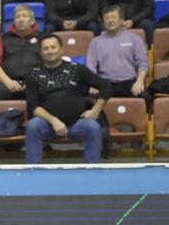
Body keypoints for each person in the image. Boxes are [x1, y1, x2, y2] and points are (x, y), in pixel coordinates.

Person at [24, 34, 109, 164]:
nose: (50, 51)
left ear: (61, 50)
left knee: (93, 127)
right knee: (32, 126)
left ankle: (92, 169)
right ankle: (33, 169)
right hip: (47, 125)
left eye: (53, 47)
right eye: (46, 48)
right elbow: (33, 107)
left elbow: (106, 87)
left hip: (77, 123)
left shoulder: (76, 68)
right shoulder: (33, 73)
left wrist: (95, 110)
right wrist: (54, 121)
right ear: (41, 53)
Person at [86, 6, 149, 101]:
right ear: (103, 22)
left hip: (130, 82)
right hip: (106, 83)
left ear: (122, 20)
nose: (110, 20)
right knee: (90, 100)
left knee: (145, 97)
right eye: (107, 18)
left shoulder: (135, 39)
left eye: (113, 17)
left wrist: (139, 82)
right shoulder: (95, 42)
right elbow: (91, 66)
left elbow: (143, 63)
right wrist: (93, 84)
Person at [0, 5, 42, 103]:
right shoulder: (3, 38)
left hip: (35, 84)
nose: (21, 19)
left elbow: (50, 61)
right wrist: (8, 82)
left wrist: (33, 83)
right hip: (8, 83)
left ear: (32, 21)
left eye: (24, 16)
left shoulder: (43, 38)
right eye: (17, 17)